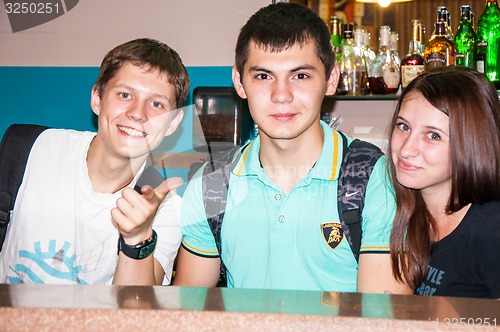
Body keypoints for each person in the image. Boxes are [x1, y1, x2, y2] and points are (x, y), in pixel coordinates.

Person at [174, 3, 410, 294]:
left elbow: (383, 319)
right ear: (239, 81)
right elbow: (188, 310)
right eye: (263, 76)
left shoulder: (373, 180)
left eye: (300, 75)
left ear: (331, 79)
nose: (281, 95)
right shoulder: (212, 185)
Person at [0, 38, 190, 285]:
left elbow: (135, 314)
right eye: (124, 95)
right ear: (97, 98)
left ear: (173, 123)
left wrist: (137, 237)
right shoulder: (28, 150)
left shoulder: (166, 208)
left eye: (156, 104)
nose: (137, 113)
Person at [388, 66, 500, 298]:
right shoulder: (394, 209)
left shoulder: (492, 229)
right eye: (403, 126)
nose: (407, 149)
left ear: (472, 142)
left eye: (434, 135)